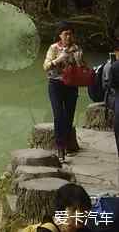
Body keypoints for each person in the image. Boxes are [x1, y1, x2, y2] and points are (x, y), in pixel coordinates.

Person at [44, 22, 84, 161]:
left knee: (69, 116)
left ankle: (66, 144)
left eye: (70, 33)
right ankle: (60, 148)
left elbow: (83, 69)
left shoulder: (76, 48)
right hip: (55, 84)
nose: (68, 36)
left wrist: (79, 62)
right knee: (58, 115)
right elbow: (46, 66)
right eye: (65, 33)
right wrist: (58, 60)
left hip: (71, 85)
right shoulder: (53, 48)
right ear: (60, 35)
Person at [20, 182, 93, 231]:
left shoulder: (81, 229)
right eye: (73, 209)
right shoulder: (47, 229)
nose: (80, 214)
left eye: (83, 209)